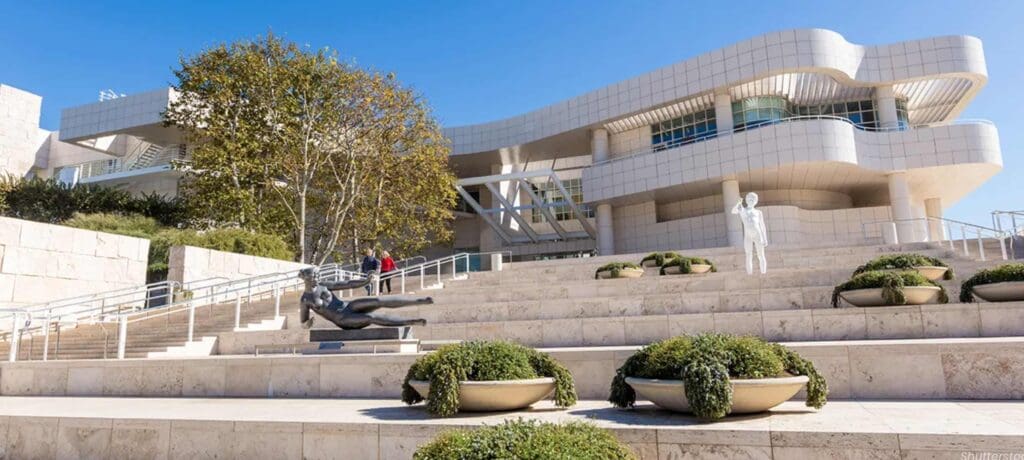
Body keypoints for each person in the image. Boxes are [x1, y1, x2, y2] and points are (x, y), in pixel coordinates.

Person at [297, 267, 430, 330]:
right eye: (315, 275)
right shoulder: (305, 300)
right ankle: (411, 321)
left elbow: (346, 284)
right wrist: (307, 323)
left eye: (318, 275)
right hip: (342, 319)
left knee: (377, 301)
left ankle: (417, 301)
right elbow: (304, 322)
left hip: (347, 306)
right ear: (307, 277)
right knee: (371, 317)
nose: (318, 278)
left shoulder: (323, 285)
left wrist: (366, 281)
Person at [731, 192, 769, 275]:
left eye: (753, 199)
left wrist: (765, 238)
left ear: (756, 201)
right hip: (748, 235)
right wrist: (738, 203)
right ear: (746, 200)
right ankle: (749, 274)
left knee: (761, 255)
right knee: (748, 255)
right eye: (749, 199)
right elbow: (733, 211)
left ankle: (763, 273)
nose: (751, 200)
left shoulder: (758, 212)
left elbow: (762, 225)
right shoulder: (742, 209)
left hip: (758, 234)